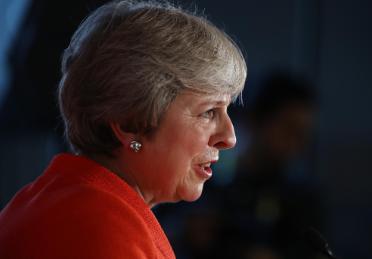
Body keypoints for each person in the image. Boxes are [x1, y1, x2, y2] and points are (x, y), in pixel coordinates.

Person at [0, 0, 246, 258]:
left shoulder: (59, 202)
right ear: (131, 124)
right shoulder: (102, 232)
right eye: (208, 112)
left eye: (227, 110)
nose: (229, 137)